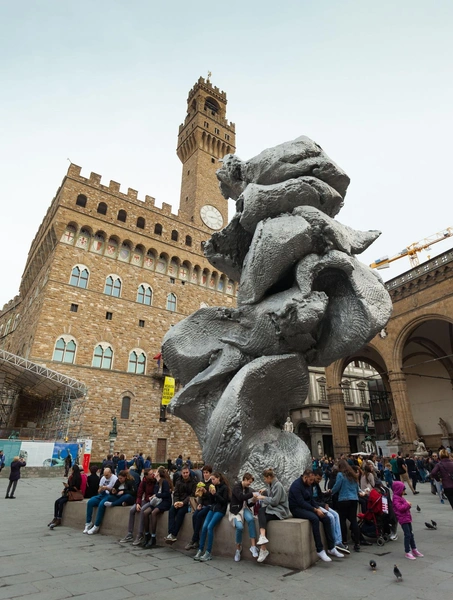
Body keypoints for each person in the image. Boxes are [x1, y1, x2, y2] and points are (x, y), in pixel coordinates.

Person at [289, 469, 344, 562]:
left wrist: (317, 507)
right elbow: (301, 502)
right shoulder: (296, 486)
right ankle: (319, 549)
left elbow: (311, 500)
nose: (312, 482)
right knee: (314, 519)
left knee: (326, 519)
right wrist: (315, 510)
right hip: (297, 509)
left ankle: (331, 547)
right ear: (305, 477)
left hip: (307, 506)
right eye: (310, 480)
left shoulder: (309, 485)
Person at [254, 468, 290, 563]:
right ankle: (263, 544)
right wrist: (265, 490)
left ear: (269, 477)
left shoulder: (277, 485)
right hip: (274, 509)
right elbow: (272, 493)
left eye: (265, 479)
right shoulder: (272, 484)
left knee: (262, 513)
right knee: (262, 516)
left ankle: (263, 547)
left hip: (280, 510)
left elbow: (274, 501)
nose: (265, 481)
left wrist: (263, 497)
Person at [194, 472, 230, 562]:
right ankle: (200, 549)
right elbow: (211, 501)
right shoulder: (213, 487)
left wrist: (215, 494)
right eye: (211, 480)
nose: (212, 481)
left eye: (213, 479)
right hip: (212, 508)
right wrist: (208, 493)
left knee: (210, 527)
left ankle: (208, 552)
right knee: (204, 527)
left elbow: (224, 501)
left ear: (218, 478)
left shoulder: (224, 488)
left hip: (220, 510)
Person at [330, 459, 362, 552]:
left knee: (342, 520)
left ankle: (344, 542)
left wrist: (331, 492)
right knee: (353, 520)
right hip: (354, 499)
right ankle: (357, 543)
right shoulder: (353, 475)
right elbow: (357, 488)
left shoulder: (340, 475)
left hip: (343, 499)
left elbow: (337, 486)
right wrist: (355, 495)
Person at [120, 468, 156, 545]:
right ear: (146, 476)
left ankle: (140, 534)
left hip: (152, 501)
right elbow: (139, 494)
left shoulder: (155, 481)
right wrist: (138, 503)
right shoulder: (143, 482)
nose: (153, 475)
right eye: (150, 474)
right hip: (145, 500)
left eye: (152, 473)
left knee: (142, 510)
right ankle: (130, 533)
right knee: (132, 510)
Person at [229, 472, 259, 561]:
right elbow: (240, 497)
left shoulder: (246, 489)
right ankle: (238, 549)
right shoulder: (236, 487)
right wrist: (252, 494)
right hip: (236, 511)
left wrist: (253, 501)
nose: (250, 484)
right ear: (245, 479)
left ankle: (253, 546)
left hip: (244, 508)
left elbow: (247, 503)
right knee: (239, 527)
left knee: (250, 519)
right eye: (249, 482)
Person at [141, 467, 173, 548]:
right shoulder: (157, 482)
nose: (154, 473)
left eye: (156, 472)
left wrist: (156, 495)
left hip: (165, 502)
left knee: (153, 513)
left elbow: (166, 494)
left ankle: (153, 537)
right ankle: (147, 534)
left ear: (158, 473)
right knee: (145, 513)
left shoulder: (164, 482)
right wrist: (153, 496)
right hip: (158, 501)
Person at [392, 480, 423, 560]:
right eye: (403, 490)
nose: (404, 491)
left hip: (407, 518)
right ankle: (407, 551)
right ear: (399, 490)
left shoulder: (399, 497)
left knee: (411, 534)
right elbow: (400, 508)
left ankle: (414, 549)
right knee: (407, 535)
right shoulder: (396, 498)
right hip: (403, 519)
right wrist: (407, 504)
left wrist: (406, 503)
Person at [165, 466, 196, 543]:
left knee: (180, 513)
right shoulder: (178, 481)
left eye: (187, 473)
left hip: (187, 504)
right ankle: (170, 533)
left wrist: (183, 503)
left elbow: (192, 495)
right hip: (178, 502)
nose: (185, 474)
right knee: (172, 510)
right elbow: (176, 494)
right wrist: (176, 502)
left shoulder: (193, 482)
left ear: (189, 473)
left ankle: (174, 534)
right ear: (181, 473)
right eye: (184, 473)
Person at [185, 465, 213, 550]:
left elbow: (212, 497)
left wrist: (206, 491)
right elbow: (200, 496)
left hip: (209, 505)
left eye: (207, 473)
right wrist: (199, 503)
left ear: (210, 473)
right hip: (203, 505)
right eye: (204, 473)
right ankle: (196, 540)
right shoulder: (201, 481)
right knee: (194, 515)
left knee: (199, 515)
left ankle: (194, 540)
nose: (205, 474)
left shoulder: (212, 483)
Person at [83, 467, 117, 534]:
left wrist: (107, 488)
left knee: (101, 504)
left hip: (109, 495)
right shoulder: (103, 478)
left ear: (110, 473)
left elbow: (114, 491)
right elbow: (99, 490)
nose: (106, 477)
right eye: (104, 475)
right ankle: (88, 522)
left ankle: (96, 525)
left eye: (107, 475)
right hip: (102, 494)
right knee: (90, 502)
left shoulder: (114, 478)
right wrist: (100, 489)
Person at [48, 464, 83, 528]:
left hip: (72, 494)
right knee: (57, 502)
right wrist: (65, 489)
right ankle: (55, 517)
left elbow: (76, 488)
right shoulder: (71, 477)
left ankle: (59, 518)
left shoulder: (78, 478)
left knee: (61, 502)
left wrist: (68, 487)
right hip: (68, 493)